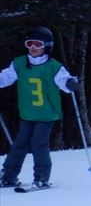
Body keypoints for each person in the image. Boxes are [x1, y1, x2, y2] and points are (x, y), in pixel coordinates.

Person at [0, 26, 80, 188]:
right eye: (30, 44)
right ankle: (8, 176)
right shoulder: (20, 63)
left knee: (39, 142)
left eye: (38, 44)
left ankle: (41, 176)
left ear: (47, 46)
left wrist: (70, 83)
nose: (33, 48)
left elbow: (64, 81)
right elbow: (5, 77)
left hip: (46, 114)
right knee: (20, 143)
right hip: (28, 113)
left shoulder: (54, 66)